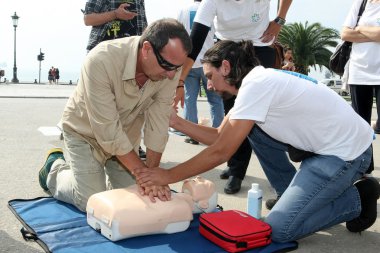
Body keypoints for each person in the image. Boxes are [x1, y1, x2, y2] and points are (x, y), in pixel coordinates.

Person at [136, 40, 379, 242]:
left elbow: (221, 151)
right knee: (252, 131)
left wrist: (167, 176)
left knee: (278, 230)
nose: (208, 85)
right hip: (326, 148)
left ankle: (357, 198)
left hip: (347, 154)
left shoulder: (256, 85)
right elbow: (221, 136)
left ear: (227, 67)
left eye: (210, 76)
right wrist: (177, 122)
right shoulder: (255, 83)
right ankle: (291, 197)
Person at [38, 18, 192, 212]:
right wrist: (144, 175)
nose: (172, 75)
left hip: (126, 138)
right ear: (146, 49)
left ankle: (106, 179)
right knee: (92, 201)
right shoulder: (100, 60)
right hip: (85, 134)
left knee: (139, 197)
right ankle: (54, 169)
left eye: (177, 68)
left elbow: (158, 123)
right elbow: (108, 129)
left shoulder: (170, 66)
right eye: (168, 66)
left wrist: (151, 176)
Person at [173, 0, 293, 195]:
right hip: (228, 47)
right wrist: (180, 81)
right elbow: (195, 42)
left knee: (262, 122)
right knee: (233, 114)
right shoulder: (211, 2)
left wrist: (280, 19)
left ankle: (283, 183)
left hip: (259, 46)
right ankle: (236, 169)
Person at [84, 0, 148, 158]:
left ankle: (132, 145)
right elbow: (88, 19)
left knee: (133, 103)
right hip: (103, 56)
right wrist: (115, 14)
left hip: (132, 56)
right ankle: (93, 142)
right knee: (101, 103)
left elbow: (144, 26)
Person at [177, 0, 224, 145]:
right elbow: (219, 33)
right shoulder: (211, 9)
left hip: (189, 62)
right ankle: (218, 133)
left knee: (190, 98)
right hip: (208, 62)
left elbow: (178, 33)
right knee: (215, 99)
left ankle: (192, 135)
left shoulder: (183, 10)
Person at [341, 0, 380, 174]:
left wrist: (359, 29)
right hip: (359, 72)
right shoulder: (361, 3)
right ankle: (365, 168)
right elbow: (344, 34)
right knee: (360, 125)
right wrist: (372, 33)